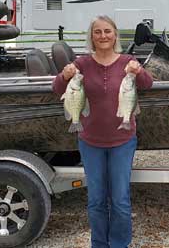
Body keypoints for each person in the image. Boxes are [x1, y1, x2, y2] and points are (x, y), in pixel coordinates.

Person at [52, 15, 153, 248]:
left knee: (119, 200)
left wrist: (138, 71)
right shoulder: (82, 64)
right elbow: (56, 88)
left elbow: (148, 84)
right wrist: (65, 75)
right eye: (98, 32)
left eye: (107, 31)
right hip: (90, 141)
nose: (103, 36)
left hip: (122, 140)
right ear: (92, 37)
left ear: (115, 34)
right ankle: (99, 244)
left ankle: (119, 244)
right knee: (96, 200)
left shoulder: (128, 61)